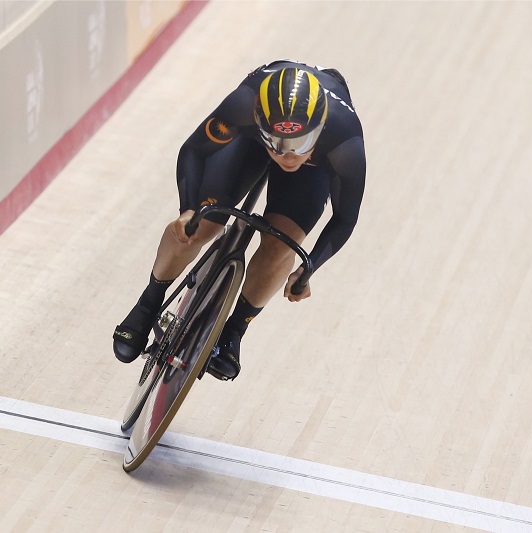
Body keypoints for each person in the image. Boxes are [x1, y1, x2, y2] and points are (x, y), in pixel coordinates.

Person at [112, 60, 366, 380]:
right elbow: (194, 151)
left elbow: (345, 218)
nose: (287, 156)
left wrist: (308, 268)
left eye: (298, 145)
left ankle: (233, 332)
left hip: (311, 168)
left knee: (282, 246)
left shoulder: (345, 141)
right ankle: (149, 301)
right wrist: (188, 211)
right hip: (249, 141)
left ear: (318, 130)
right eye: (279, 144)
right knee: (198, 227)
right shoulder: (244, 105)